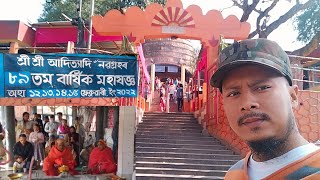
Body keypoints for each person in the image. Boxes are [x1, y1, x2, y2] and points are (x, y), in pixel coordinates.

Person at [209, 38, 320, 179]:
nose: (247, 104)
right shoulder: (233, 174)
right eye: (234, 93)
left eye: (262, 88)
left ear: (293, 97)